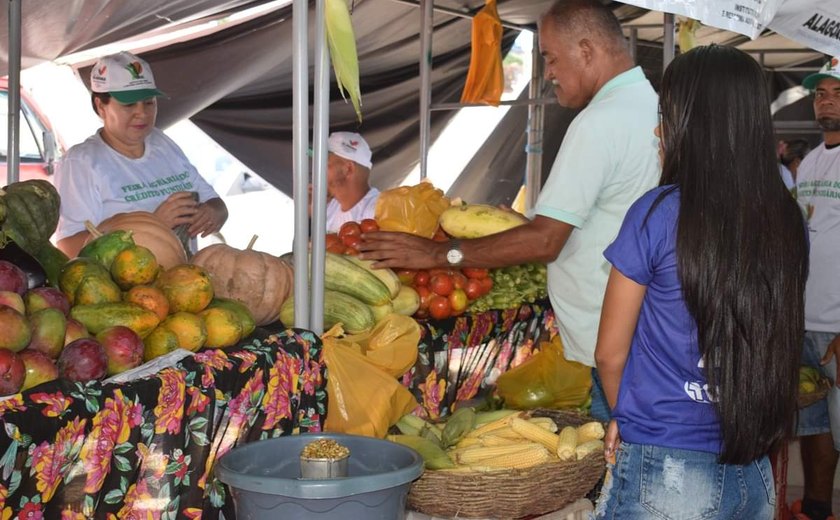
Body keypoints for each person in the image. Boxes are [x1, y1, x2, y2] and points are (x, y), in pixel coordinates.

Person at [358, 0, 660, 422]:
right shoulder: (651, 106)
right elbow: (617, 215)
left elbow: (546, 241)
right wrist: (528, 226)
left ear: (587, 50)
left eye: (552, 57)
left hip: (617, 343)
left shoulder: (599, 123)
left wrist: (434, 254)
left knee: (626, 460)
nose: (549, 72)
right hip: (647, 331)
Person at [592, 44, 809, 519]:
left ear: (696, 123)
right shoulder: (786, 220)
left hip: (665, 468)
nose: (658, 129)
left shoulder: (657, 212)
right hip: (754, 474)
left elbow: (610, 353)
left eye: (666, 115)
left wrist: (626, 418)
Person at [54, 51, 228, 256]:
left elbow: (216, 204)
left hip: (182, 280)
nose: (142, 113)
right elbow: (68, 248)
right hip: (127, 287)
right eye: (129, 104)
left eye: (149, 102)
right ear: (100, 106)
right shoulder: (81, 163)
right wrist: (153, 225)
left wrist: (213, 213)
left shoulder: (162, 143)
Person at [791, 55, 840, 520]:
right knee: (812, 424)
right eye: (821, 92)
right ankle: (817, 508)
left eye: (837, 92)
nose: (825, 100)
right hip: (805, 315)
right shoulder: (808, 164)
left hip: (838, 320)